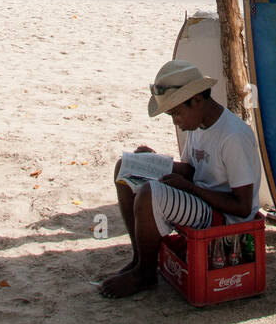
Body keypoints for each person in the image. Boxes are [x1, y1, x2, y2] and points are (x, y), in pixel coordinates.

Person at [100, 60, 261, 299]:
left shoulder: (233, 136)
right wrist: (153, 161)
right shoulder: (198, 124)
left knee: (149, 195)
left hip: (225, 218)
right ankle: (139, 259)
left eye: (176, 112)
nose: (175, 120)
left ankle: (145, 272)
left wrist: (189, 188)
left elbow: (243, 206)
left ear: (197, 100)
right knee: (125, 167)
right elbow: (192, 170)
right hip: (201, 198)